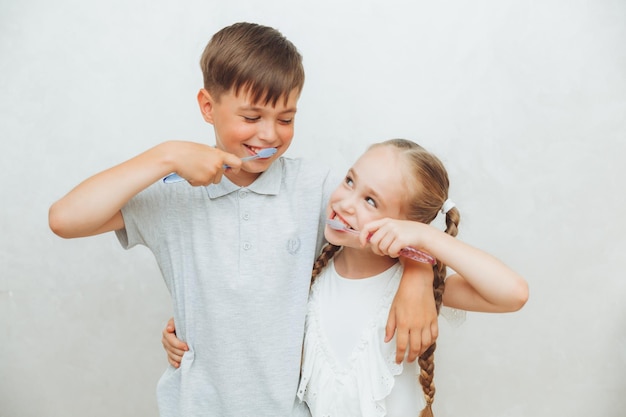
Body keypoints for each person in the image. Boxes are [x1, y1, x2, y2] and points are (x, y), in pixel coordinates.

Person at [48, 23, 439, 417]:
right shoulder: (172, 195)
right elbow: (65, 219)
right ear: (207, 107)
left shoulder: (316, 187)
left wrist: (417, 272)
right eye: (251, 117)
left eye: (285, 119)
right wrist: (165, 156)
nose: (269, 135)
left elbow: (407, 211)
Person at [163, 138, 529, 417]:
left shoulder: (412, 288)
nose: (345, 202)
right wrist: (190, 330)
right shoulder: (310, 274)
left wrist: (424, 242)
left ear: (405, 224)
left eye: (371, 201)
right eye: (350, 181)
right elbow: (248, 305)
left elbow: (512, 293)